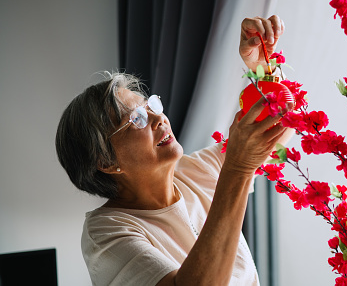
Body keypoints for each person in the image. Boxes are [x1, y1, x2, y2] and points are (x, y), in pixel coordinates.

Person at [55, 16, 291, 286]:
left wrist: (262, 67)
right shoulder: (108, 232)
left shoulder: (196, 171)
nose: (159, 119)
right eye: (137, 120)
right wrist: (237, 169)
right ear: (106, 161)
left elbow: (281, 127)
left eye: (152, 106)